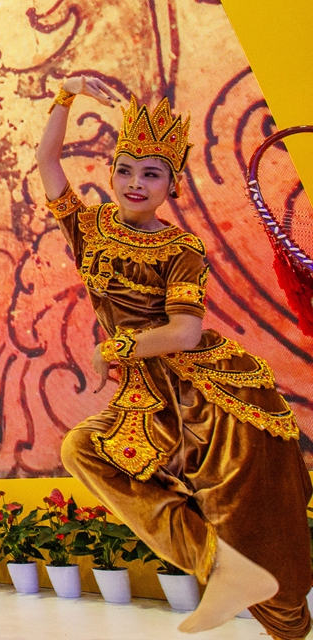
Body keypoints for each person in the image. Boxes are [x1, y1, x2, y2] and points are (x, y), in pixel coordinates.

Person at [37, 78, 311, 638]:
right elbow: (47, 161)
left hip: (201, 390)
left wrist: (117, 347)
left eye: (152, 173)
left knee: (241, 509)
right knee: (82, 449)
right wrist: (65, 97)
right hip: (144, 391)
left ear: (172, 185)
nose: (136, 183)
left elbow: (186, 332)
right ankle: (222, 568)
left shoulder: (182, 248)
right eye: (127, 169)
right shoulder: (89, 227)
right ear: (111, 171)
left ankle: (272, 605)